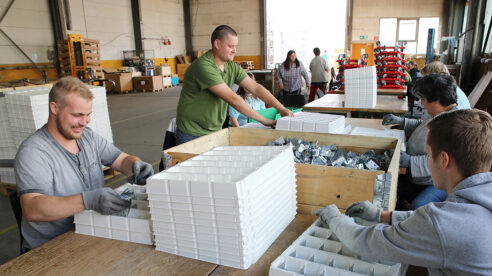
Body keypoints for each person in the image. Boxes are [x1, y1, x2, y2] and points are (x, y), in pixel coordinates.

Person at [317, 109, 492, 275]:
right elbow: (442, 221)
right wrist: (383, 215)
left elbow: (363, 241)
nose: (426, 162)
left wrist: (333, 216)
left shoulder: (444, 224)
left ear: (443, 160)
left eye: (427, 155)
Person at [15, 77, 154, 251]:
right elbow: (33, 208)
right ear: (54, 108)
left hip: (90, 232)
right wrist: (87, 200)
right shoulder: (34, 152)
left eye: (88, 115)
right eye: (77, 115)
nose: (85, 122)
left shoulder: (88, 137)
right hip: (52, 247)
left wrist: (135, 165)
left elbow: (120, 159)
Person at [175, 25, 292, 145]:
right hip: (192, 133)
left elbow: (256, 88)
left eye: (236, 46)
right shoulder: (204, 66)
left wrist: (281, 108)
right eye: (230, 46)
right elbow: (233, 99)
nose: (234, 50)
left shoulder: (231, 66)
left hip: (214, 130)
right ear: (217, 43)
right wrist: (264, 121)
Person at [382, 74, 461, 209]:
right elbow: (422, 125)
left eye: (423, 99)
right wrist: (402, 122)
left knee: (418, 206)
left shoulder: (454, 125)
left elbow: (441, 162)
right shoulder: (439, 113)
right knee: (385, 188)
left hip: (437, 182)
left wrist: (410, 161)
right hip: (417, 177)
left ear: (436, 100)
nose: (421, 103)